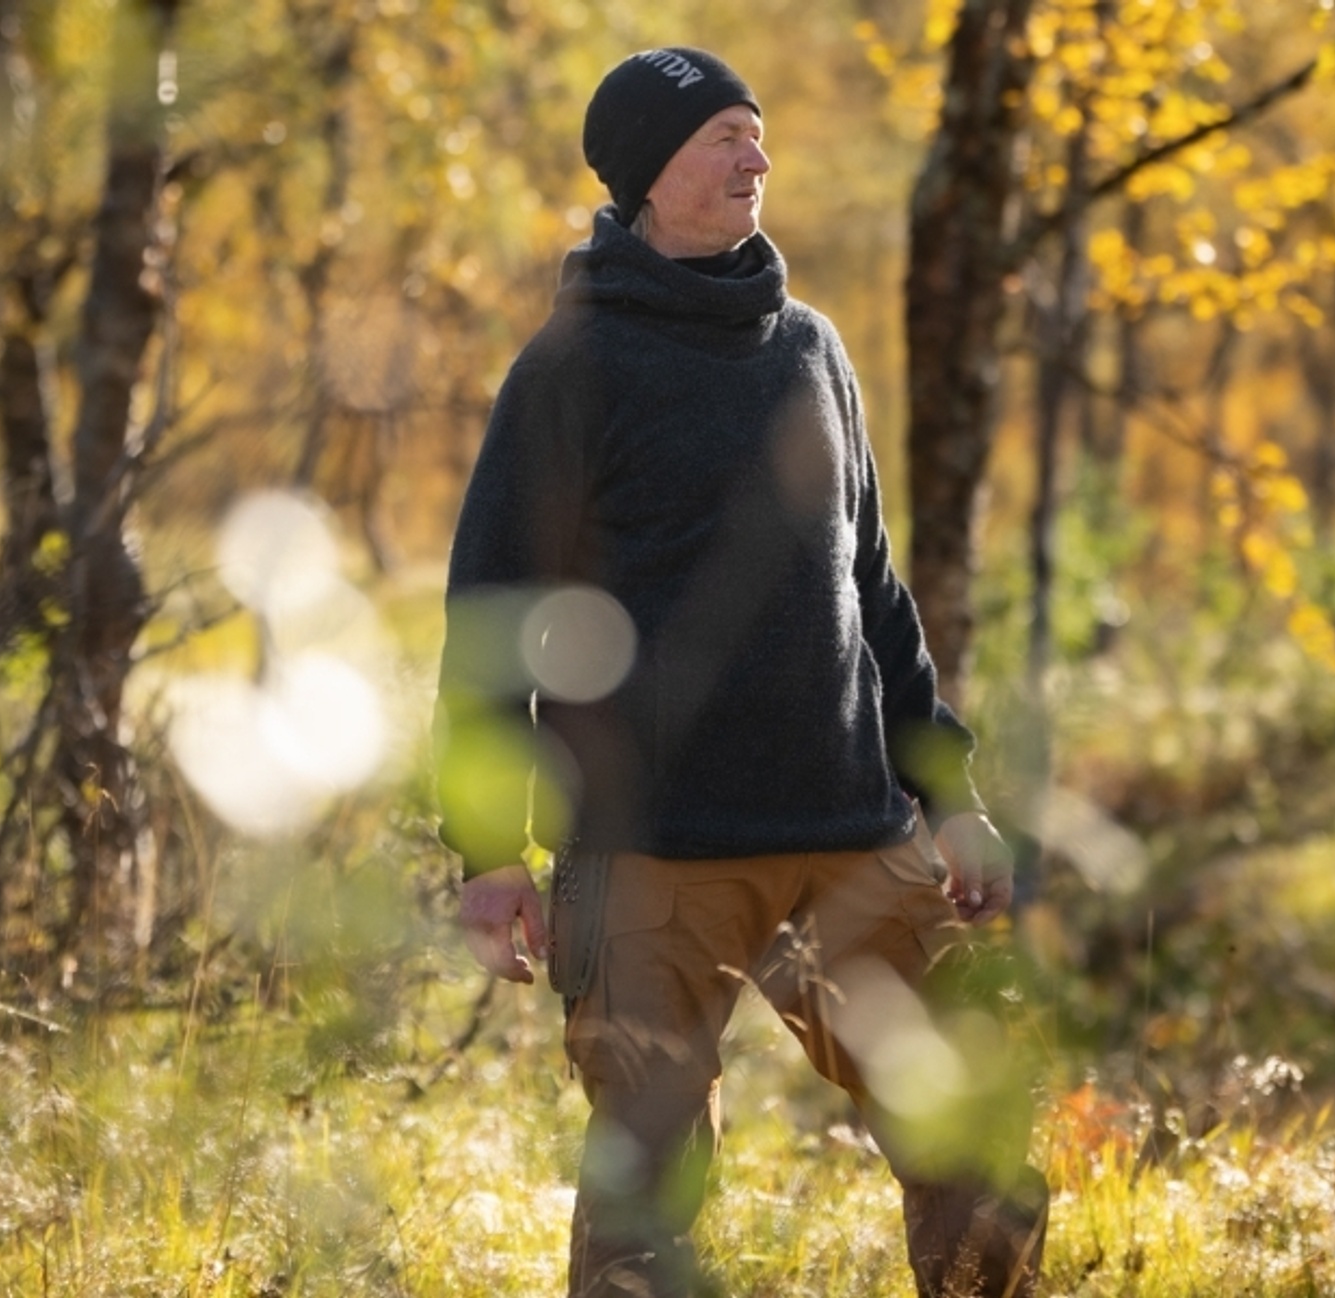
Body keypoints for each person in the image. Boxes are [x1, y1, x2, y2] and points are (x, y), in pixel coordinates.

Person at [434, 45, 1048, 1298]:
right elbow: (492, 611)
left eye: (756, 134)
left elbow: (873, 591)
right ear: (645, 174)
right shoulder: (571, 369)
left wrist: (953, 798)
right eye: (722, 136)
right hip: (651, 851)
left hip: (848, 834)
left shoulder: (812, 349)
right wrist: (489, 847)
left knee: (975, 1148)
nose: (755, 158)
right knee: (643, 1213)